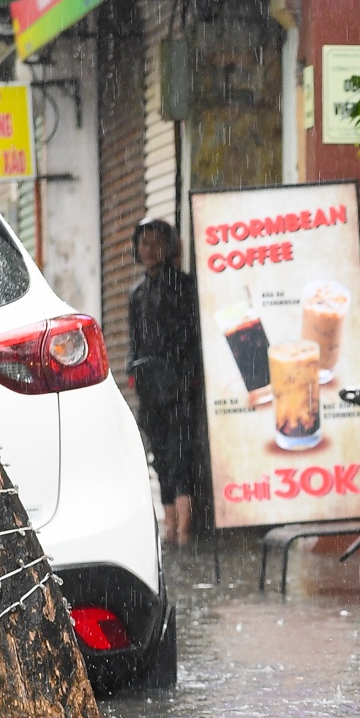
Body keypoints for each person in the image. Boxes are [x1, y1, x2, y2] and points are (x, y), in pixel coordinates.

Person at [128, 218, 201, 544]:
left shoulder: (184, 287)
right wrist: (134, 371)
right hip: (150, 387)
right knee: (159, 453)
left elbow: (193, 337)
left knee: (180, 453)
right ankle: (169, 521)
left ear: (169, 246)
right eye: (145, 242)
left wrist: (187, 376)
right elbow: (134, 341)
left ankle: (184, 527)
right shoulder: (137, 293)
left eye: (157, 241)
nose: (151, 248)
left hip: (180, 385)